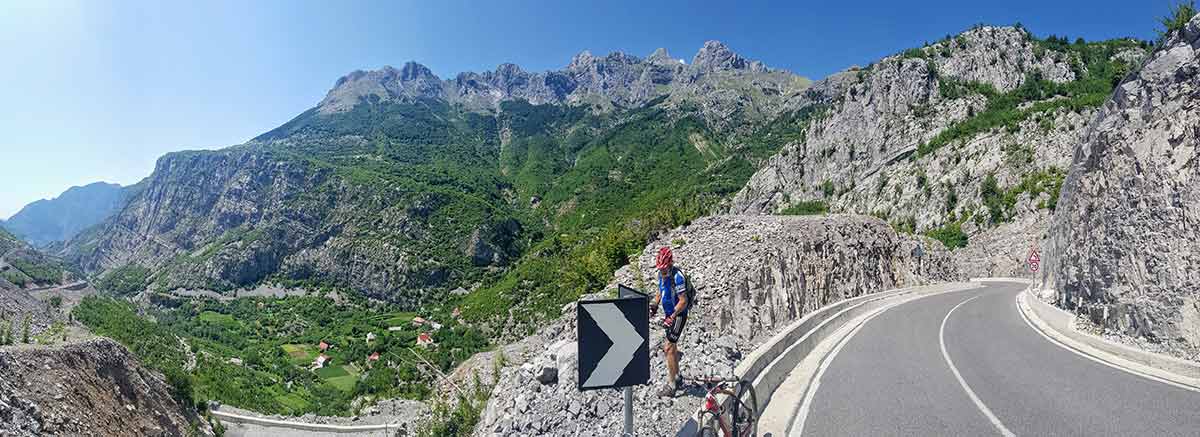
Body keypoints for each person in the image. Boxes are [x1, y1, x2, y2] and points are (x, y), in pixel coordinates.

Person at [650, 246, 689, 397]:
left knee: (668, 347)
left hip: (678, 315)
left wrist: (672, 317)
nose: (663, 272)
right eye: (660, 269)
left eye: (665, 269)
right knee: (672, 348)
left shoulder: (678, 277)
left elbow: (683, 301)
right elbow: (660, 291)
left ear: (670, 264)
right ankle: (677, 377)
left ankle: (672, 385)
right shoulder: (661, 274)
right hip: (669, 315)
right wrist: (654, 304)